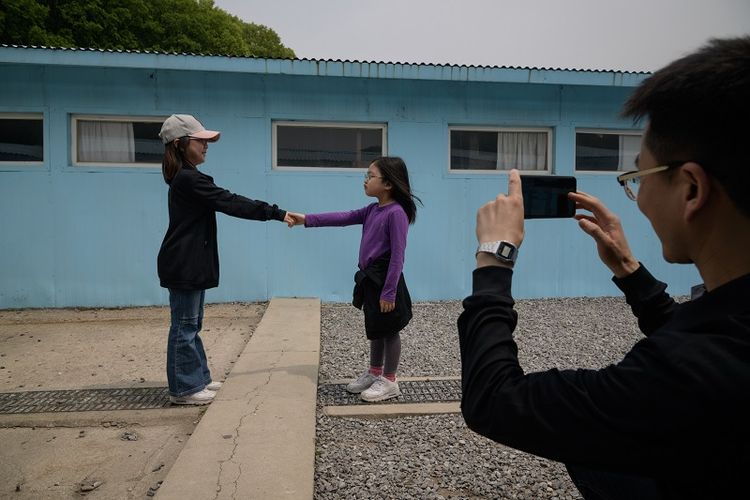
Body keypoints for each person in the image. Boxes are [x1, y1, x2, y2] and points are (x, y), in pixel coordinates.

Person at [458, 36, 750, 500]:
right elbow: (706, 341)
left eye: (638, 178)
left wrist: (495, 257)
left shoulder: (681, 376)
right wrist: (632, 273)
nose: (638, 199)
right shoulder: (721, 339)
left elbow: (495, 401)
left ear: (691, 189)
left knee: (590, 448)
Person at [157, 114, 294, 405]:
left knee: (192, 324)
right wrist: (275, 212)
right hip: (184, 263)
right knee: (185, 326)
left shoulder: (186, 177)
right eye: (200, 141)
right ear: (181, 145)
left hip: (187, 262)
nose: (206, 146)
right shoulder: (189, 179)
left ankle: (198, 379)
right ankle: (184, 389)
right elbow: (230, 202)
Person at [287, 157, 421, 402]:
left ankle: (390, 380)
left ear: (388, 183)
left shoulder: (396, 213)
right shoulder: (372, 210)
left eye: (370, 176)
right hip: (371, 278)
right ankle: (374, 372)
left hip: (385, 279)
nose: (365, 181)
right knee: (375, 328)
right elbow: (343, 217)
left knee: (389, 330)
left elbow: (398, 256)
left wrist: (389, 292)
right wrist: (305, 219)